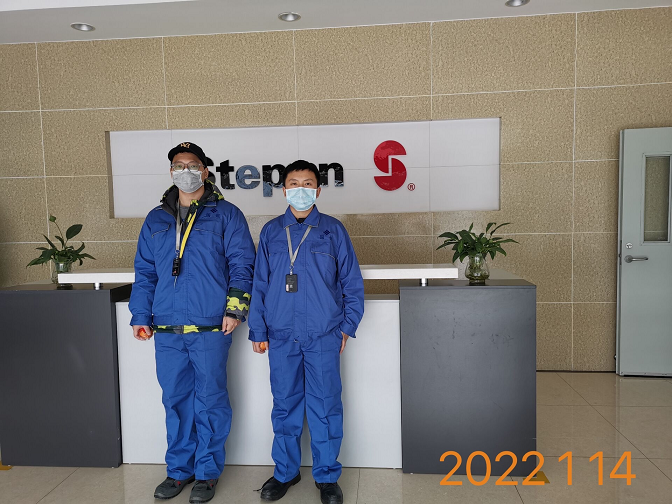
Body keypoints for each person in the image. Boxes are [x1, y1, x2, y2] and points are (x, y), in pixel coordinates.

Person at [129, 142, 255, 503]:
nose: (186, 170)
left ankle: (207, 473)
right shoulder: (156, 219)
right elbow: (145, 272)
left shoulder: (226, 214)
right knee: (175, 399)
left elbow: (242, 265)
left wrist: (235, 309)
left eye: (193, 164)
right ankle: (179, 469)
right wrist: (141, 315)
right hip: (166, 326)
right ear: (171, 172)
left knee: (210, 399)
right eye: (179, 165)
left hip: (210, 324)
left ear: (206, 171)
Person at [248, 160, 365, 504]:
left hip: (323, 335)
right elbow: (259, 284)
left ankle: (327, 476)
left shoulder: (333, 230)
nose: (301, 190)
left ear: (318, 190)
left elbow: (351, 283)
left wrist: (347, 327)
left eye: (308, 184)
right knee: (284, 406)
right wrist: (258, 329)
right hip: (281, 334)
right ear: (284, 190)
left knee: (325, 407)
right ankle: (285, 472)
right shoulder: (271, 232)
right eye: (294, 184)